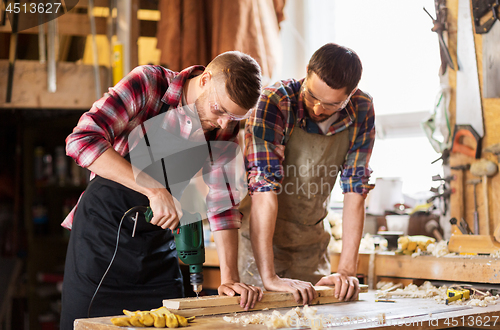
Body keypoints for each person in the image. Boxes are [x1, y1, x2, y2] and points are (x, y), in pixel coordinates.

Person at [60, 51, 263, 330]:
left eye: (234, 118)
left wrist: (229, 278)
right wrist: (154, 190)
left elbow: (223, 202)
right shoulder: (149, 85)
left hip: (157, 244)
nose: (225, 123)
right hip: (103, 240)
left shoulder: (224, 126)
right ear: (204, 80)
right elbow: (81, 140)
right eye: (220, 110)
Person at [239, 43, 375, 305]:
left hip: (310, 245)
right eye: (312, 96)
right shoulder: (274, 101)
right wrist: (269, 277)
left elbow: (355, 190)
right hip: (260, 247)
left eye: (332, 104)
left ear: (351, 94)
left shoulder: (362, 109)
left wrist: (346, 272)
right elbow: (263, 190)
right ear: (307, 72)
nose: (317, 109)